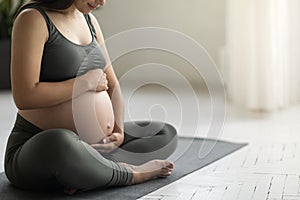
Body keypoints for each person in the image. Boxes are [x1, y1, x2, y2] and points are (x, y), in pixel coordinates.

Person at [4, 0, 178, 195]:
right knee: (62, 144)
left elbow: (112, 84)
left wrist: (119, 132)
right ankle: (131, 173)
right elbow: (25, 95)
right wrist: (82, 84)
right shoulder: (33, 19)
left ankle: (89, 171)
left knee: (164, 133)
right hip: (42, 145)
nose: (102, 2)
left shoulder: (90, 21)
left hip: (96, 147)